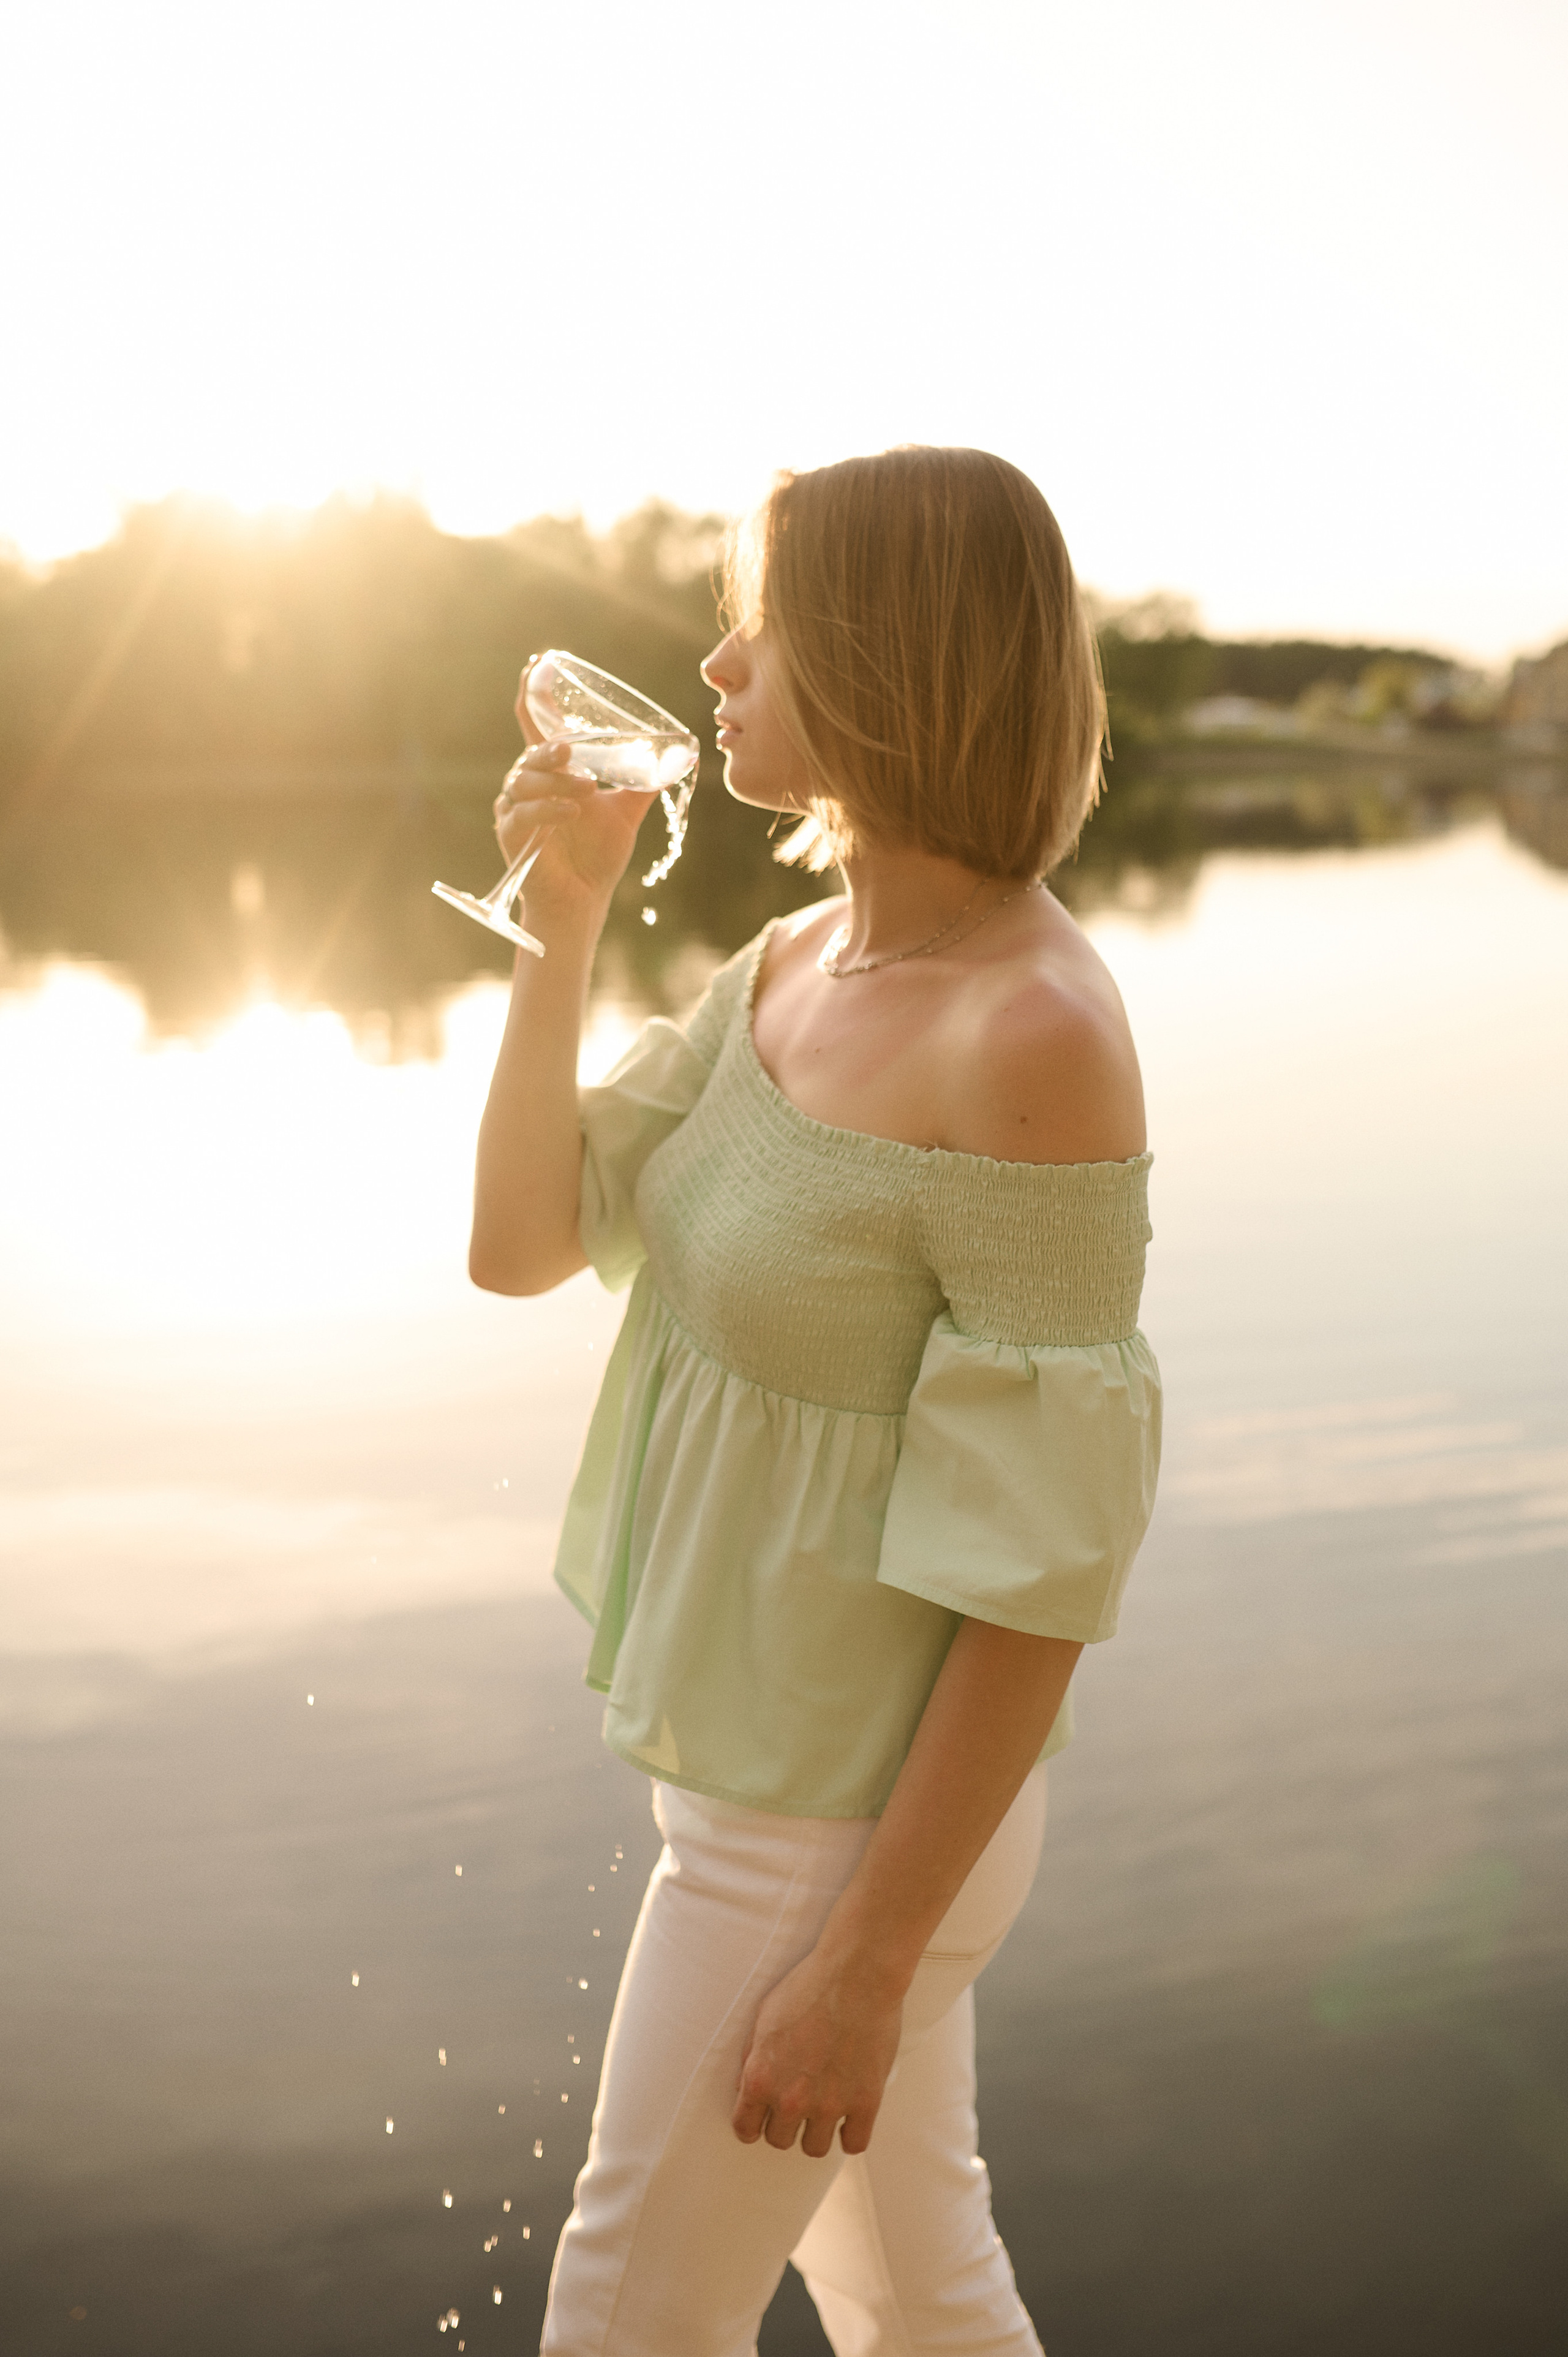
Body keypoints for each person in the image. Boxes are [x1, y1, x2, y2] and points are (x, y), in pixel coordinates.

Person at [469, 446, 1161, 2356]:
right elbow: (521, 1243)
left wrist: (860, 1962)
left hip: (845, 1840)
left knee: (621, 2321)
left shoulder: (1033, 1035)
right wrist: (563, 917)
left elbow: (1045, 1576)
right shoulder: (786, 966)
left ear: (884, 652)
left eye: (756, 623)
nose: (716, 670)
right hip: (763, 1792)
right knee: (916, 2292)